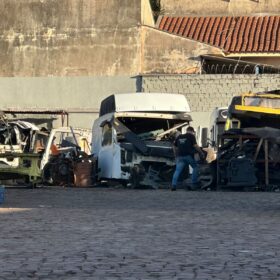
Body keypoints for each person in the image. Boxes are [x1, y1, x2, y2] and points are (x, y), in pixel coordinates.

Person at [171, 126, 204, 191]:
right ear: (191, 131)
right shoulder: (191, 136)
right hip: (188, 156)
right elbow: (195, 146)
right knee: (195, 167)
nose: (193, 133)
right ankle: (193, 184)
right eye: (193, 132)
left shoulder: (179, 137)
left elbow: (174, 147)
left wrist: (176, 155)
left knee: (177, 171)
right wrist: (201, 152)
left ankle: (173, 185)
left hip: (180, 157)